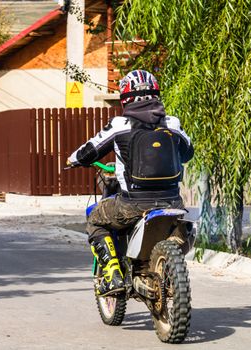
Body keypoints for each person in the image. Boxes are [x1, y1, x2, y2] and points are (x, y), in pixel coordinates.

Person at [67, 70, 194, 296]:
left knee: (96, 218)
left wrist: (73, 160)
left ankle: (113, 274)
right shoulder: (172, 123)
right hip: (172, 201)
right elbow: (188, 153)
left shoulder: (120, 124)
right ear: (156, 94)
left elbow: (89, 150)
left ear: (125, 99)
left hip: (132, 204)